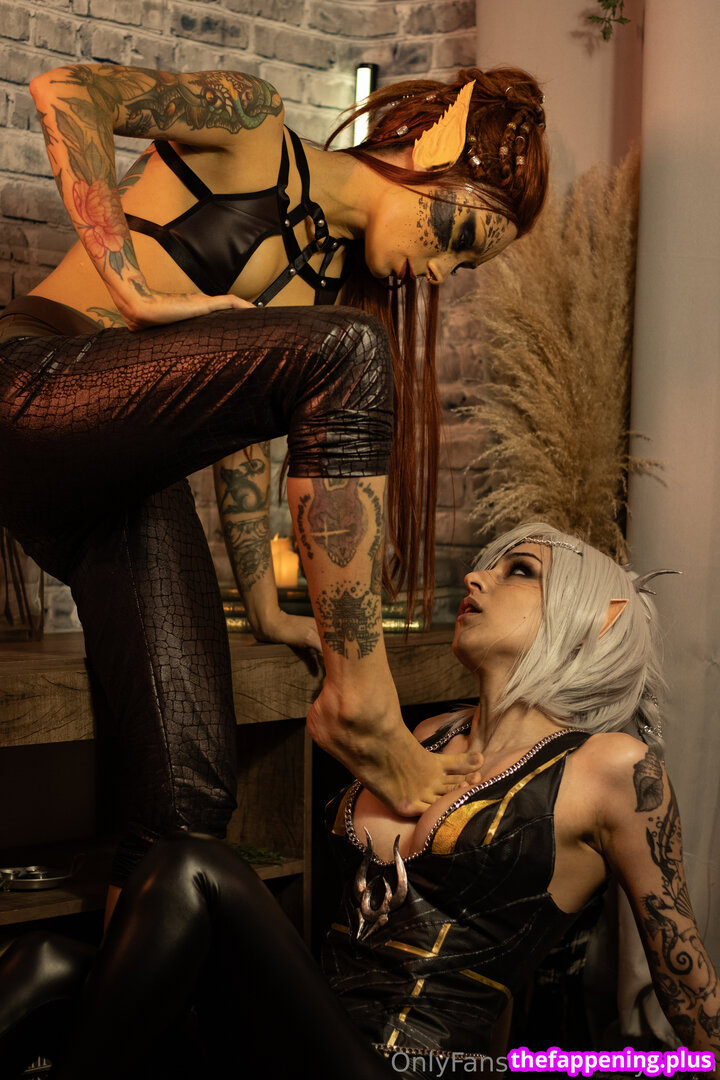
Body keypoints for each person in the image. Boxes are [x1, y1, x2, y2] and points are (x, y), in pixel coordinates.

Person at [0, 63, 548, 904]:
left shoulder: (317, 279)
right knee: (351, 348)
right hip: (29, 389)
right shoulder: (252, 122)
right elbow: (69, 91)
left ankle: (96, 982)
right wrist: (132, 290)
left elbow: (239, 448)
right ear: (431, 149)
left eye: (463, 265)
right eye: (460, 237)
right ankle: (364, 706)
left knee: (187, 804)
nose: (442, 270)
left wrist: (264, 606)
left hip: (114, 484)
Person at [0, 523, 717, 1079]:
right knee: (45, 961)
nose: (477, 576)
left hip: (416, 1067)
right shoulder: (431, 735)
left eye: (519, 571)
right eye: (490, 565)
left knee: (193, 864)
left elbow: (686, 986)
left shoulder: (611, 767)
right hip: (311, 1043)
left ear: (597, 618)